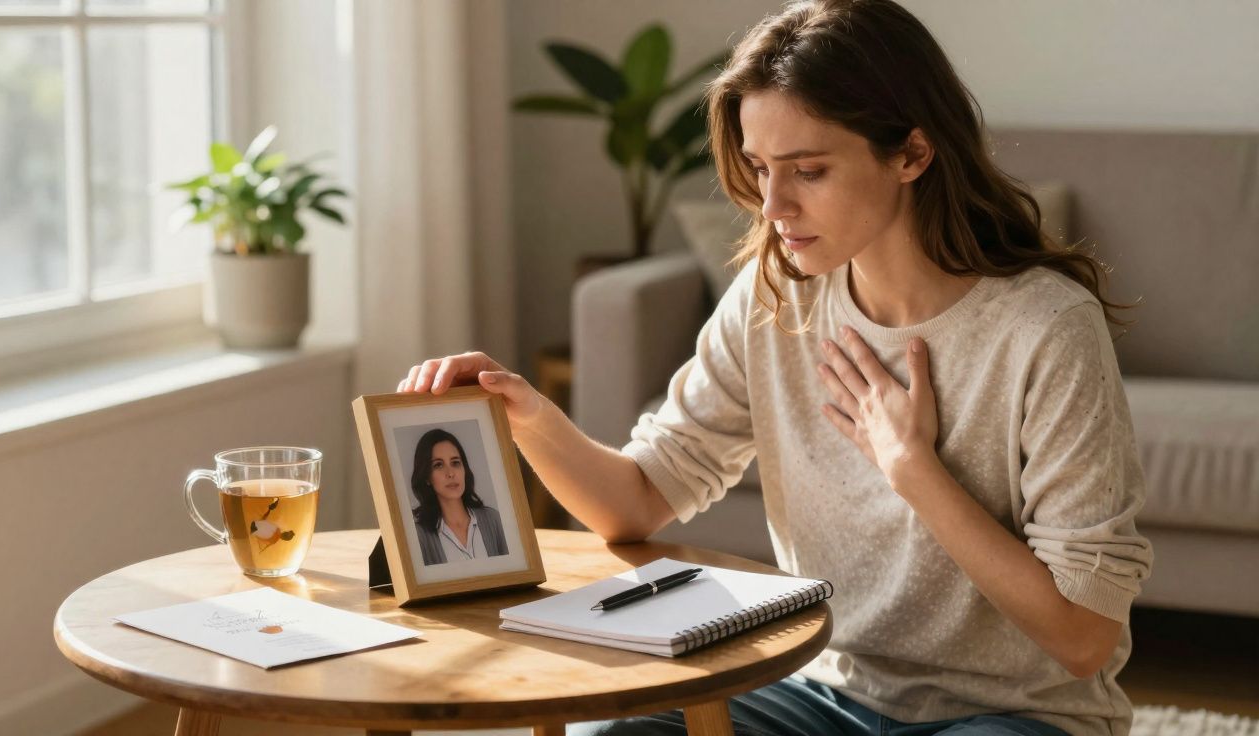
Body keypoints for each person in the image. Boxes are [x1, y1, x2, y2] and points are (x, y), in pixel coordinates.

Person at [398, 0, 1152, 733]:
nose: (773, 205)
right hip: (824, 689)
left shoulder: (1046, 330)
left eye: (809, 171)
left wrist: (912, 468)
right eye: (760, 169)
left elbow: (1082, 638)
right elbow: (634, 503)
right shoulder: (775, 297)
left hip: (1012, 714)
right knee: (619, 733)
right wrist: (530, 415)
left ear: (912, 154)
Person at [409, 428, 509, 565]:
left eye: (455, 463)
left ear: (464, 469)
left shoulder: (493, 520)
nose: (450, 473)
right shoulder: (419, 536)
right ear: (427, 477)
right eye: (438, 465)